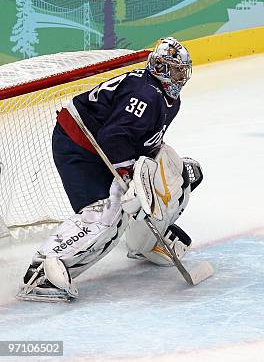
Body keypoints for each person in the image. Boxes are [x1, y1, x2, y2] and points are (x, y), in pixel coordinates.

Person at [17, 37, 203, 302]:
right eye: (175, 69)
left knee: (176, 178)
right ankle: (42, 273)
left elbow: (142, 141)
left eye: (183, 70)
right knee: (107, 212)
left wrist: (153, 181)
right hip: (79, 146)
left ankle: (145, 243)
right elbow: (113, 136)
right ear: (161, 68)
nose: (181, 76)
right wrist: (130, 181)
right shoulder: (146, 95)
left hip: (106, 148)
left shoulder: (169, 99)